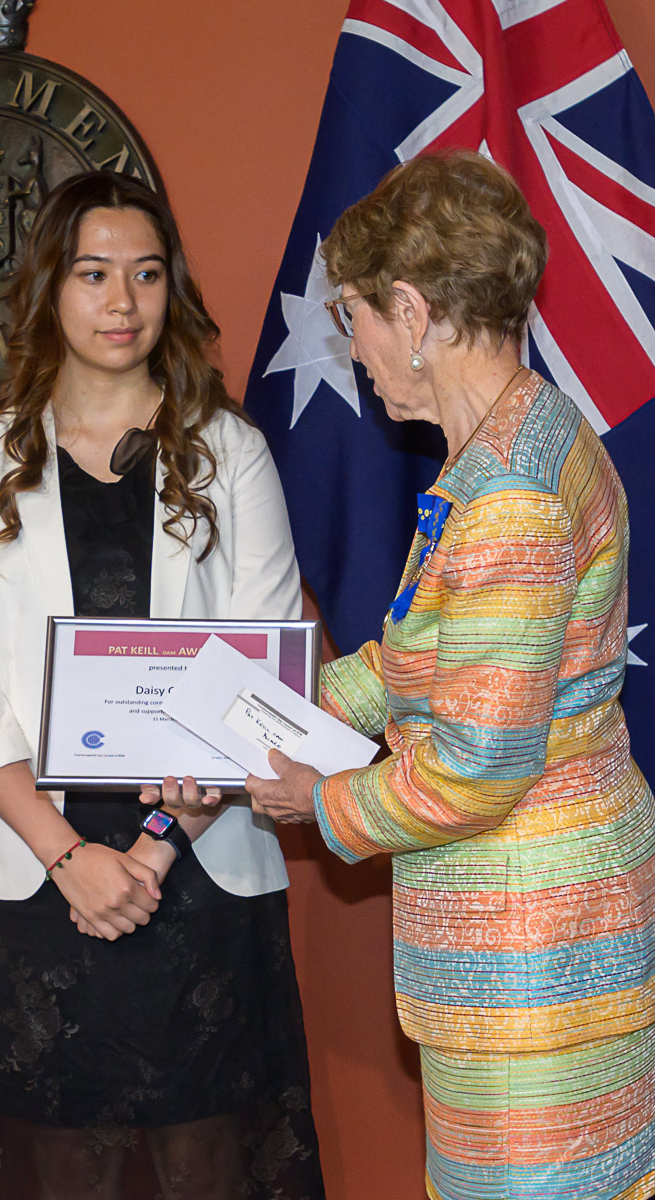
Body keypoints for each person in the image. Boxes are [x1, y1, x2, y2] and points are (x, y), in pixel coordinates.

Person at [234, 153, 655, 1200]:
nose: (352, 345)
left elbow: (473, 766)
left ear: (412, 310)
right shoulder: (511, 440)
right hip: (542, 929)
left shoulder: (504, 494)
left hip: (529, 949)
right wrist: (268, 703)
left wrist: (316, 800)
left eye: (353, 314)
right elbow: (419, 662)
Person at [0, 171, 326, 1199]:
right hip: (35, 868)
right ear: (49, 289)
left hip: (195, 864)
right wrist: (71, 860)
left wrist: (144, 861)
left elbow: (266, 671)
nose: (121, 301)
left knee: (206, 1160)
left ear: (170, 290)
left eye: (145, 275)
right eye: (94, 274)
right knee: (58, 1166)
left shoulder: (228, 452)